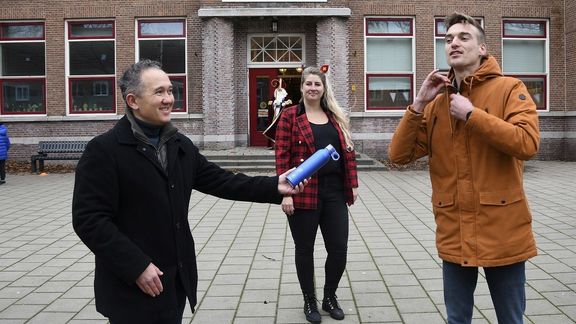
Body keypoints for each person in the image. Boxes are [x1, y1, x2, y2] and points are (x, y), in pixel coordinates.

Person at [72, 59, 306, 324]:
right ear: (133, 101)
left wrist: (275, 185)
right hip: (131, 286)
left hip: (174, 282)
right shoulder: (104, 151)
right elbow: (89, 220)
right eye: (159, 92)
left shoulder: (179, 145)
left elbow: (222, 181)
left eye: (170, 91)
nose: (168, 99)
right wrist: (135, 266)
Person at [388, 12, 540, 324]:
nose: (454, 43)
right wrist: (418, 104)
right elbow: (398, 156)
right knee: (457, 319)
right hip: (454, 231)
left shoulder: (510, 88)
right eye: (448, 39)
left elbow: (527, 143)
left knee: (510, 319)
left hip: (503, 231)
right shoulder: (436, 103)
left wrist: (473, 115)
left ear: (483, 48)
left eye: (463, 37)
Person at [275, 66, 358, 323]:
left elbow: (348, 153)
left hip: (334, 192)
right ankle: (309, 299)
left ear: (324, 89)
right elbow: (282, 157)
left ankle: (329, 296)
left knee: (339, 249)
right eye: (308, 84)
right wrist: (285, 194)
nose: (313, 88)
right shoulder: (290, 116)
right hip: (302, 192)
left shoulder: (335, 116)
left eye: (317, 84)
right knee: (305, 249)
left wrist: (352, 184)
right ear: (301, 88)